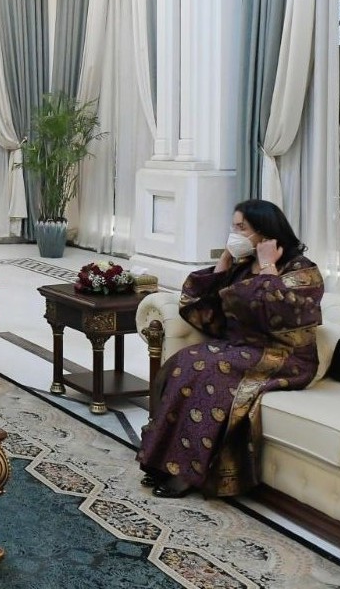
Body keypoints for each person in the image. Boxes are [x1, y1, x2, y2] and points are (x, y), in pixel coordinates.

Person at [138, 198, 324, 499]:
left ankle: (189, 473)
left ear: (264, 231)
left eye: (242, 228)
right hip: (241, 348)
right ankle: (163, 462)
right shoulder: (241, 265)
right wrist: (224, 260)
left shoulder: (302, 271)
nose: (235, 233)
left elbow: (285, 315)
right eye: (232, 226)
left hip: (283, 355)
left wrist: (267, 269)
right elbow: (201, 307)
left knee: (210, 370)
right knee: (185, 362)